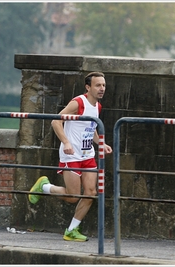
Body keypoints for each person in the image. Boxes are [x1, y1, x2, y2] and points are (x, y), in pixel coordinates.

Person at [28, 72, 112, 242]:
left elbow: (91, 127)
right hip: (71, 155)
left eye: (103, 85)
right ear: (88, 87)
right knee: (73, 196)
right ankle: (44, 187)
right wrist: (66, 142)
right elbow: (56, 121)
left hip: (88, 154)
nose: (102, 88)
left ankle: (72, 230)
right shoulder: (78, 102)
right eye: (98, 85)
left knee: (90, 193)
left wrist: (100, 143)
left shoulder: (98, 106)